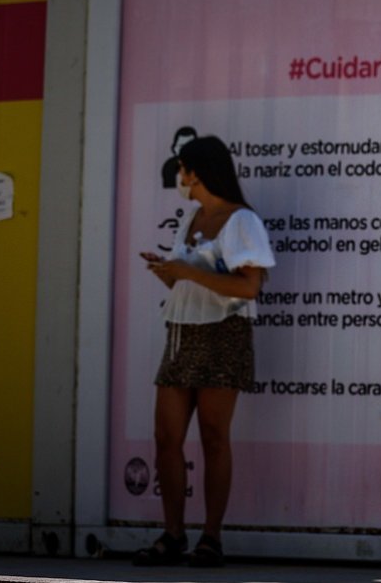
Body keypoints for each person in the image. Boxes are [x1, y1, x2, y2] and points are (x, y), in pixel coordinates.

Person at [134, 135, 276, 568]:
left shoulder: (241, 220)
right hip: (182, 333)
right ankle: (173, 534)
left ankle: (211, 538)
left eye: (183, 169)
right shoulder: (192, 216)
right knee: (166, 438)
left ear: (197, 172)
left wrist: (187, 271)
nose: (179, 178)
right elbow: (185, 279)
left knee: (214, 437)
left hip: (223, 334)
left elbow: (249, 287)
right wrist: (168, 272)